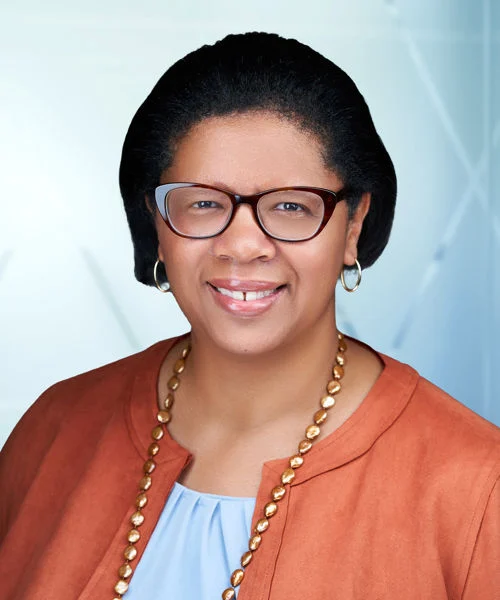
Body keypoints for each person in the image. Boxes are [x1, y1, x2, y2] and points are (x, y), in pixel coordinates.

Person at [0, 32, 498, 600]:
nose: (243, 245)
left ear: (353, 224)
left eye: (290, 205)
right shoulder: (54, 429)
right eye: (204, 202)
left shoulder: (478, 487)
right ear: (156, 223)